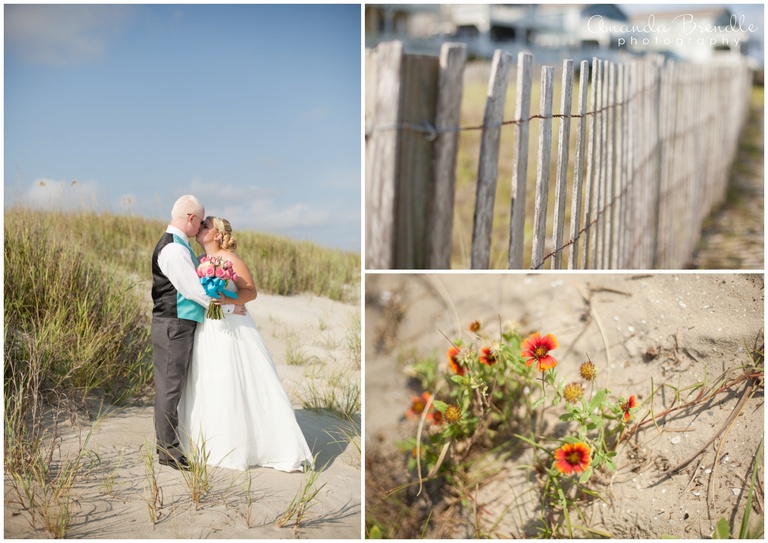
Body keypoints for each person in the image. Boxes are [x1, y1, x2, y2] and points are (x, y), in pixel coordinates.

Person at [178, 216, 313, 472]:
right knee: (210, 381)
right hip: (207, 328)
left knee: (235, 380)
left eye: (206, 226)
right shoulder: (199, 261)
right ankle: (211, 444)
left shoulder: (230, 259)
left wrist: (228, 301)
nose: (200, 228)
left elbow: (250, 291)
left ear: (217, 234)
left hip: (232, 328)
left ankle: (255, 445)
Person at [150, 195, 241, 471]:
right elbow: (192, 289)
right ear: (190, 219)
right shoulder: (173, 250)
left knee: (174, 386)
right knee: (169, 388)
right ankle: (168, 451)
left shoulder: (181, 246)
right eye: (200, 221)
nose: (201, 226)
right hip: (173, 325)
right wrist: (226, 308)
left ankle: (172, 444)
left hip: (180, 324)